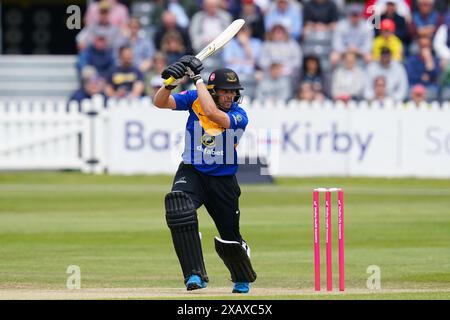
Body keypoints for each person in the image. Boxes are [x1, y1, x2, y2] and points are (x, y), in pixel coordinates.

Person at [153, 55, 257, 293]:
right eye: (224, 91)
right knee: (178, 208)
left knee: (230, 237)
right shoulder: (194, 99)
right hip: (192, 170)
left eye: (233, 92)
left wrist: (196, 77)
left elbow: (213, 114)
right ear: (213, 91)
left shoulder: (240, 115)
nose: (230, 96)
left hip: (222, 179)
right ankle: (194, 275)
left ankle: (241, 276)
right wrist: (170, 83)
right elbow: (160, 102)